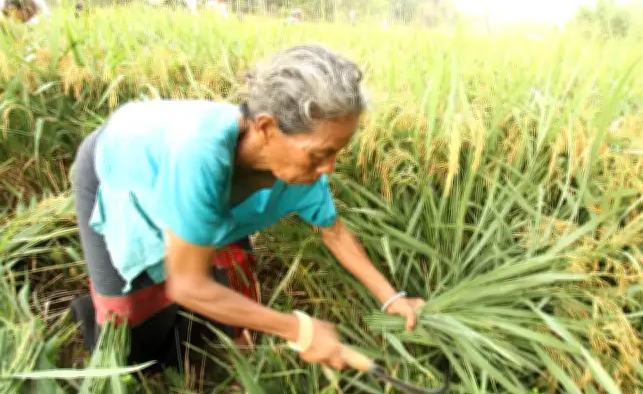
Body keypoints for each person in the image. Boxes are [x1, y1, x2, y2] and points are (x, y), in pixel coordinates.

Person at [69, 43, 425, 372]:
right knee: (131, 321)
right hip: (124, 169)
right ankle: (111, 346)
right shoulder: (199, 154)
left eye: (336, 153)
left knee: (229, 268)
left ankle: (231, 338)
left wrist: (391, 298)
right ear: (267, 127)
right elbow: (187, 284)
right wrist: (299, 329)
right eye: (321, 153)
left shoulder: (303, 173)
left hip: (204, 188)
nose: (329, 168)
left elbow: (334, 232)